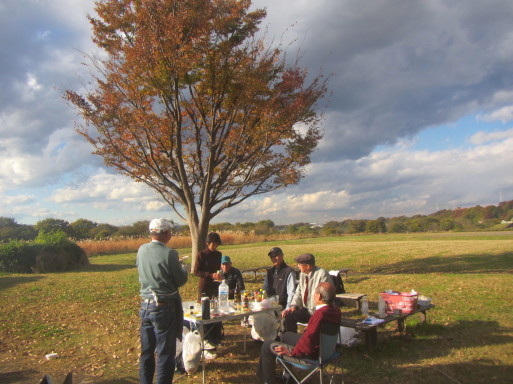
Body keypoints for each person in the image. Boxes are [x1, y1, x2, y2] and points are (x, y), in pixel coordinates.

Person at [256, 282, 341, 383]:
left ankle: (269, 381)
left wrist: (292, 351)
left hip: (312, 357)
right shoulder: (335, 311)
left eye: (314, 292)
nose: (313, 295)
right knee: (287, 336)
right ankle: (287, 376)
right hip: (327, 351)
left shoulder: (320, 315)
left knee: (266, 346)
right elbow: (311, 337)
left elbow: (309, 340)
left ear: (319, 296)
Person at [137, 218, 188, 384]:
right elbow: (180, 280)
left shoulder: (141, 250)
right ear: (166, 233)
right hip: (164, 306)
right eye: (170, 232)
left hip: (145, 304)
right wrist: (183, 268)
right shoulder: (170, 253)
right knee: (165, 353)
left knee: (147, 352)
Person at [281, 253, 331, 334]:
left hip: (318, 312)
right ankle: (291, 340)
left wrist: (313, 322)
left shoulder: (322, 274)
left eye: (299, 264)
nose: (297, 266)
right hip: (307, 309)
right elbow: (299, 292)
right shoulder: (302, 274)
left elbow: (325, 298)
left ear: (307, 266)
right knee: (289, 316)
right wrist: (294, 305)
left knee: (310, 331)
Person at [193, 232, 223, 352]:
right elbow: (196, 271)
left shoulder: (219, 254)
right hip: (205, 286)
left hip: (216, 286)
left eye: (216, 244)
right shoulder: (201, 255)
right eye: (212, 244)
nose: (214, 246)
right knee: (205, 312)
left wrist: (220, 275)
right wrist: (210, 275)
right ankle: (206, 338)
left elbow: (219, 268)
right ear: (207, 243)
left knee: (217, 311)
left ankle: (216, 337)